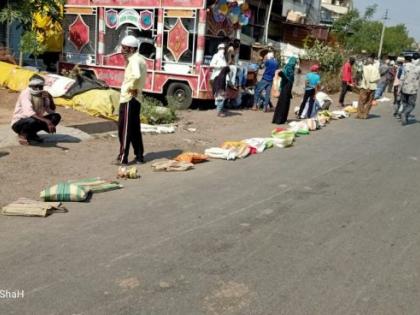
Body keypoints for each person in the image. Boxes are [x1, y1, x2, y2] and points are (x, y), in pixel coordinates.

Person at [116, 35, 147, 165]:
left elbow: (136, 75)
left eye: (124, 48)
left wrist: (132, 87)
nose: (122, 50)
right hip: (135, 99)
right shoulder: (139, 59)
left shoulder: (134, 60)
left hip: (129, 98)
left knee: (125, 129)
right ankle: (139, 155)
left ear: (131, 49)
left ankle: (124, 157)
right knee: (134, 129)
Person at [11, 74, 61, 145]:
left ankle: (31, 134)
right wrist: (47, 122)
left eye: (42, 86)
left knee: (56, 116)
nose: (41, 88)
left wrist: (50, 98)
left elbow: (51, 111)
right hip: (19, 123)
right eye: (39, 86)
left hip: (35, 120)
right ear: (33, 85)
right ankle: (23, 135)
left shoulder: (42, 93)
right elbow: (29, 113)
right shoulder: (26, 93)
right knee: (32, 120)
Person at [272, 57, 298, 124]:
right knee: (283, 103)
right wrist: (281, 74)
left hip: (287, 88)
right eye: (294, 62)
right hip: (285, 88)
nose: (294, 63)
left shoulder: (290, 68)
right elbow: (285, 76)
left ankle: (281, 119)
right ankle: (279, 120)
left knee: (284, 104)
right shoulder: (288, 67)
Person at [399, 55, 420, 126]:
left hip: (404, 88)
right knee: (411, 104)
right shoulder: (418, 68)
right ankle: (404, 114)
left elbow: (401, 78)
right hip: (413, 90)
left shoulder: (403, 67)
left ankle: (404, 117)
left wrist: (399, 89)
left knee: (405, 103)